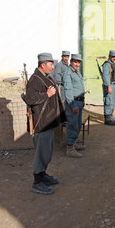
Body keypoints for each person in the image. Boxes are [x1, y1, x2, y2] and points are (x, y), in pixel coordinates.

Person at [25, 53, 66, 195]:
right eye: (51, 64)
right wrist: (46, 95)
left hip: (48, 121)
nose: (53, 67)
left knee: (46, 151)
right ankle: (37, 182)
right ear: (43, 65)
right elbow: (30, 98)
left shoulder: (45, 77)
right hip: (41, 123)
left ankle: (42, 175)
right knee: (41, 152)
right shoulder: (35, 79)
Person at [62, 53, 86, 158]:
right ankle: (70, 148)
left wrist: (83, 100)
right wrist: (72, 105)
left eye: (78, 62)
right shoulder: (68, 73)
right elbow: (68, 90)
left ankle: (74, 143)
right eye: (75, 62)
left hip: (79, 102)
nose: (77, 64)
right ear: (71, 62)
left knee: (77, 124)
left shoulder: (76, 72)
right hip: (73, 103)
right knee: (72, 124)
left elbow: (79, 87)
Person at [102, 50, 115, 126]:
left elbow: (114, 77)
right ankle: (107, 118)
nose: (114, 58)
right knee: (108, 101)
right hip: (108, 85)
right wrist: (108, 86)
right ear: (109, 56)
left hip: (113, 84)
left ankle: (111, 116)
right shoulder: (107, 65)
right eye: (112, 56)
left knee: (112, 101)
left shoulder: (113, 64)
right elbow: (105, 76)